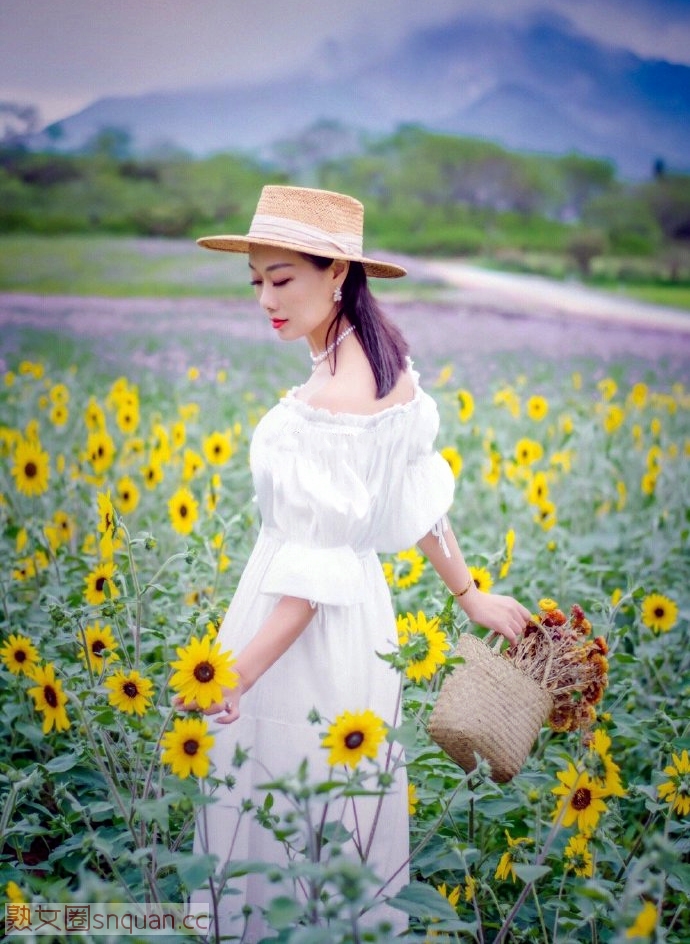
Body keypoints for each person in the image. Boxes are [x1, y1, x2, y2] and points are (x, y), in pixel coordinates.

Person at [175, 185, 530, 940]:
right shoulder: (387, 368)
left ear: (337, 272)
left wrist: (238, 675)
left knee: (284, 793)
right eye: (256, 280)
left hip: (299, 630)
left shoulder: (337, 398)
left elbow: (312, 582)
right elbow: (414, 495)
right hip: (354, 616)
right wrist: (469, 595)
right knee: (331, 811)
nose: (265, 300)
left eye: (282, 279)